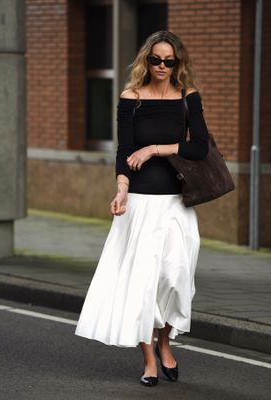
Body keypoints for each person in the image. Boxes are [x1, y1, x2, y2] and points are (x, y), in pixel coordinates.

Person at [75, 30, 209, 387]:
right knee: (142, 284)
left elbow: (199, 149)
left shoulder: (187, 97)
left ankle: (165, 340)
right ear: (145, 61)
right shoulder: (131, 98)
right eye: (155, 60)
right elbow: (123, 151)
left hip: (176, 204)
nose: (162, 66)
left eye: (169, 60)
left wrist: (155, 149)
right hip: (140, 203)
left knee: (176, 277)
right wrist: (121, 190)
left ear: (177, 62)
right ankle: (149, 358)